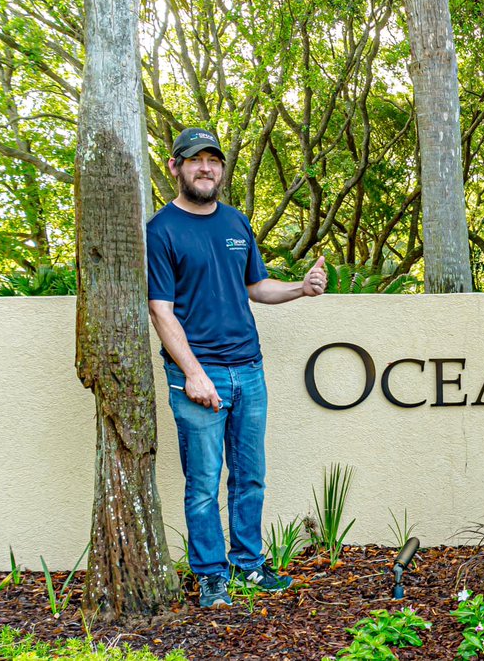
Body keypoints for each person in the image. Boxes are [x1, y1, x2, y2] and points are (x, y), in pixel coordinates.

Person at [147, 127, 328, 607]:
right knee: (203, 483)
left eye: (214, 161)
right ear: (175, 167)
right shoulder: (161, 230)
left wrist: (300, 289)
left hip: (249, 370)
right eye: (195, 160)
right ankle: (210, 574)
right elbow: (161, 310)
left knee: (249, 476)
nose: (206, 168)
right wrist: (193, 373)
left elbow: (257, 287)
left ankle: (248, 566)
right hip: (198, 377)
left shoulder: (235, 222)